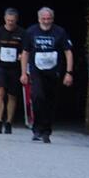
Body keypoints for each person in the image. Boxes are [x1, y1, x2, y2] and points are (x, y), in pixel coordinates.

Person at [20, 7, 73, 144]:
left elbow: (68, 52)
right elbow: (25, 52)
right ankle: (36, 127)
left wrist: (69, 72)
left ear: (52, 19)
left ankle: (46, 130)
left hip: (53, 72)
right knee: (37, 97)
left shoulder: (59, 32)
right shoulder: (31, 32)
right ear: (39, 19)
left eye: (49, 19)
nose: (46, 21)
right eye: (43, 19)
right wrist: (23, 73)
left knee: (50, 101)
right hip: (36, 71)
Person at [0, 8, 25, 134]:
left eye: (12, 21)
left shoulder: (21, 33)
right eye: (8, 20)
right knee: (0, 91)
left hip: (14, 68)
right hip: (0, 67)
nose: (10, 23)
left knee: (12, 95)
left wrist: (21, 57)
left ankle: (8, 121)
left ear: (16, 20)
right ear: (4, 19)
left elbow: (26, 51)